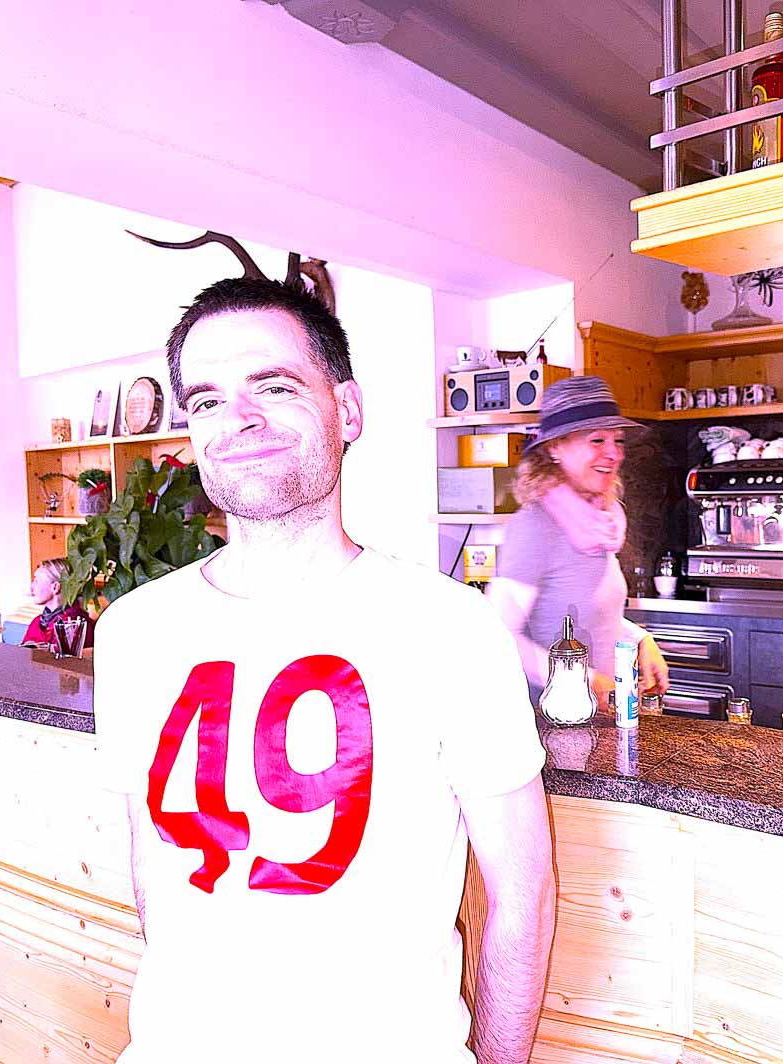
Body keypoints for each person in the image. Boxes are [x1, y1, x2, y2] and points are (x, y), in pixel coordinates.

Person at [94, 277, 555, 1064]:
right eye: (206, 400)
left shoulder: (449, 628)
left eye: (274, 387)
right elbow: (154, 859)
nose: (238, 419)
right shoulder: (133, 632)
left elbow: (524, 898)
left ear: (349, 410)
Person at [487, 376, 668, 708]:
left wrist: (641, 639)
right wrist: (579, 677)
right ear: (555, 448)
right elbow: (497, 635)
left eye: (618, 441)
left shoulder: (598, 519)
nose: (613, 453)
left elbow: (584, 615)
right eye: (597, 440)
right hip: (551, 719)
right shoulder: (535, 525)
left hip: (598, 715)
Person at [22, 557, 93, 648]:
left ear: (55, 587)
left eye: (37, 581)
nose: (32, 588)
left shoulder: (74, 625)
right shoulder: (36, 623)